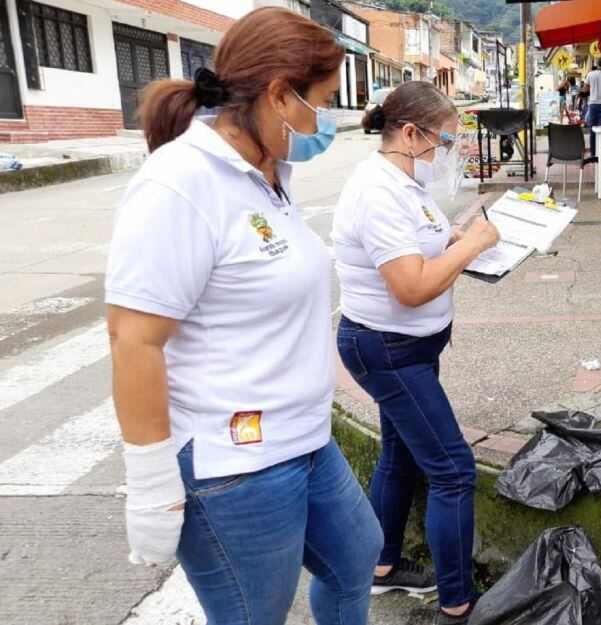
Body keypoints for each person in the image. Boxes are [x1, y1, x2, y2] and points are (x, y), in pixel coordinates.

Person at [105, 8, 383, 625]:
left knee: (356, 556)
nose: (324, 122)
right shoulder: (180, 184)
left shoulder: (267, 172)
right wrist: (151, 484)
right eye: (321, 103)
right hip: (234, 464)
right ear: (279, 96)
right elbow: (133, 339)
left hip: (303, 437)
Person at [331, 81, 501, 625]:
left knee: (400, 453)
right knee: (453, 469)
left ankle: (381, 567)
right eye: (446, 141)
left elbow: (427, 240)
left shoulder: (405, 183)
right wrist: (471, 247)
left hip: (409, 348)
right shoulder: (377, 192)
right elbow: (410, 287)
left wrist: (458, 239)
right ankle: (457, 604)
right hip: (388, 350)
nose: (450, 152)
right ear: (410, 134)